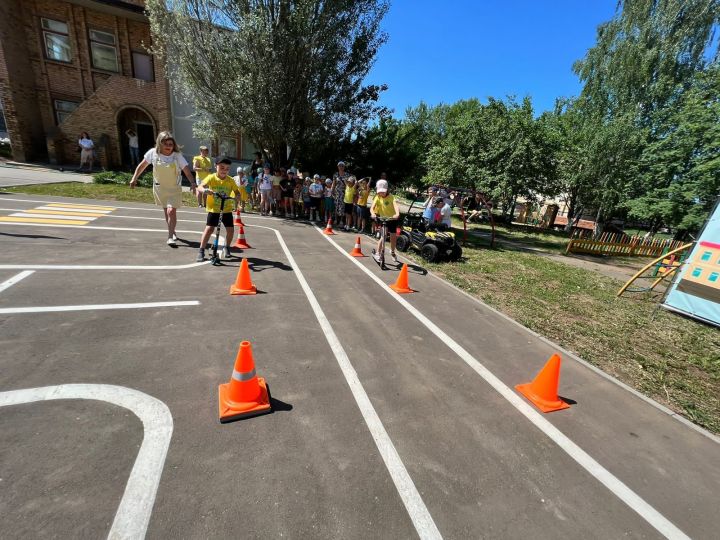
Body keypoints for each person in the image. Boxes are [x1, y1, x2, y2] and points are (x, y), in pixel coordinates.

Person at [130, 131, 196, 246]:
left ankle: (170, 237)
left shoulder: (177, 155)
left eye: (170, 144)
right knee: (167, 211)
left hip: (174, 188)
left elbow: (186, 170)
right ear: (160, 143)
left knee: (171, 211)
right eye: (166, 144)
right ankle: (173, 231)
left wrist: (193, 183)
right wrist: (134, 178)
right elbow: (141, 166)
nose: (168, 147)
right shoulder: (153, 153)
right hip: (160, 188)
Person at [196, 156, 239, 262]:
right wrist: (205, 190)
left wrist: (236, 197)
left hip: (226, 209)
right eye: (222, 167)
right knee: (209, 229)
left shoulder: (230, 180)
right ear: (216, 167)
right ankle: (201, 250)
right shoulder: (211, 177)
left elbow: (237, 192)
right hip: (214, 209)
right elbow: (200, 187)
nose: (224, 170)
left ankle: (227, 247)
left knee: (230, 230)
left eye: (227, 168)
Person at [370, 179, 400, 263]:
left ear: (387, 190)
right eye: (379, 192)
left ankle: (392, 252)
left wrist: (397, 214)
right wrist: (373, 213)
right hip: (383, 219)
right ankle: (378, 253)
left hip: (392, 219)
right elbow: (372, 208)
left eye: (383, 192)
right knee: (383, 236)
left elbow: (396, 206)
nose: (381, 193)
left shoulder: (391, 197)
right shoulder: (377, 197)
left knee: (393, 237)